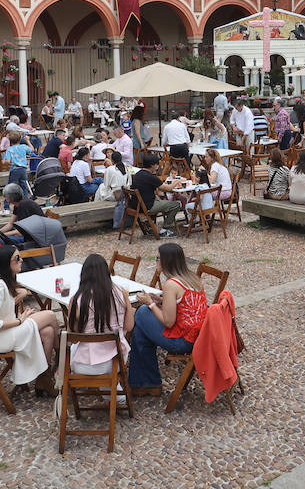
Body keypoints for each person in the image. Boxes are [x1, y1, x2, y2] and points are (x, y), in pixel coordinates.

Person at [0, 244, 60, 395]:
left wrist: (16, 297)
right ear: (6, 263)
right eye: (17, 258)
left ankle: (44, 379)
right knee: (51, 316)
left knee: (47, 332)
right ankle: (60, 359)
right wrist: (20, 321)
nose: (21, 261)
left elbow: (0, 307)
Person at [128, 243, 207, 393]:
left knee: (142, 312)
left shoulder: (171, 284)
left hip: (181, 342)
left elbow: (168, 322)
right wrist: (161, 301)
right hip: (197, 336)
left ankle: (147, 383)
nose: (156, 261)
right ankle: (145, 384)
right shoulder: (192, 278)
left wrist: (150, 303)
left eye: (157, 258)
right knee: (141, 331)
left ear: (166, 261)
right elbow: (185, 305)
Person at [68, 253, 135, 381]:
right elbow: (129, 326)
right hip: (117, 360)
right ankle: (114, 391)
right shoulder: (121, 293)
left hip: (86, 365)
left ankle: (98, 388)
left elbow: (73, 337)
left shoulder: (77, 299)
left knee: (73, 347)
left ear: (84, 275)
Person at [131, 152, 182, 237]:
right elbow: (168, 188)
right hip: (147, 206)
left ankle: (149, 223)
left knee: (159, 199)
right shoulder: (151, 177)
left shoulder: (138, 174)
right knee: (176, 204)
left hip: (136, 205)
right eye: (157, 164)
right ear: (152, 165)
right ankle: (165, 230)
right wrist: (178, 181)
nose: (158, 167)